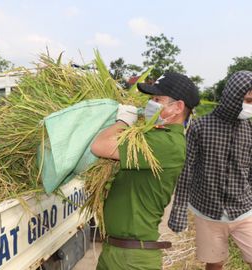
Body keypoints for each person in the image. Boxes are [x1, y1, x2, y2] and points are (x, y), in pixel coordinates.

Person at [91, 72, 200, 270]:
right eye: (150, 99)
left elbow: (99, 146)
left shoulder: (166, 143)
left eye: (157, 99)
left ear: (178, 107)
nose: (150, 104)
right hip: (115, 251)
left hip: (133, 260)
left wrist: (122, 122)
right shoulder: (153, 136)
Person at [168, 70, 252, 270]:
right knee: (214, 262)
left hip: (244, 211)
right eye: (248, 100)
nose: (250, 106)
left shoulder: (249, 130)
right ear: (233, 96)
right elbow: (186, 171)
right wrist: (178, 211)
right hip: (207, 212)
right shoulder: (200, 127)